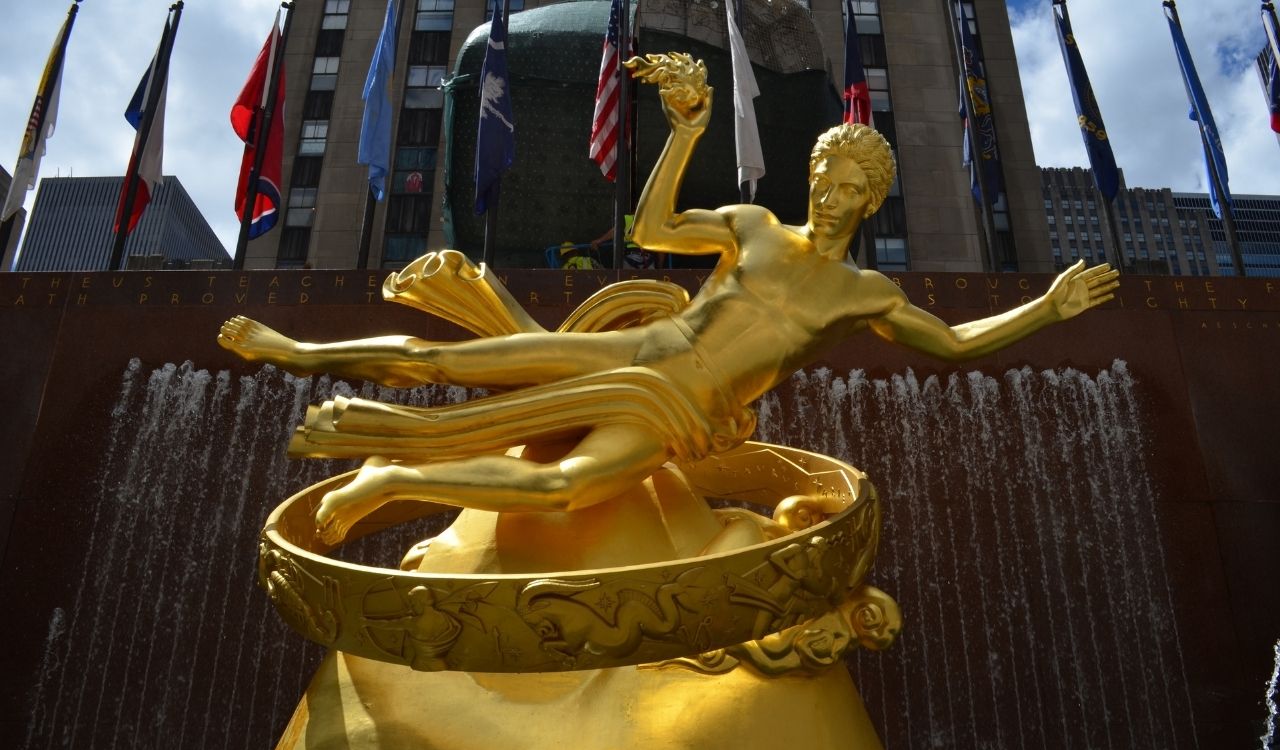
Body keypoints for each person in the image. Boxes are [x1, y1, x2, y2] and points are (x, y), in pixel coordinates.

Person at [218, 53, 1118, 543]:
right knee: (444, 358)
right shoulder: (758, 225)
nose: (827, 192)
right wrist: (686, 131)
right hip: (640, 353)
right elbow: (653, 228)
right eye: (821, 174)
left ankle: (393, 480)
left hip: (686, 410)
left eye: (846, 185)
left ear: (870, 199)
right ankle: (295, 351)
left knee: (566, 487)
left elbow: (954, 345)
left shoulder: (862, 292)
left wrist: (1048, 307)